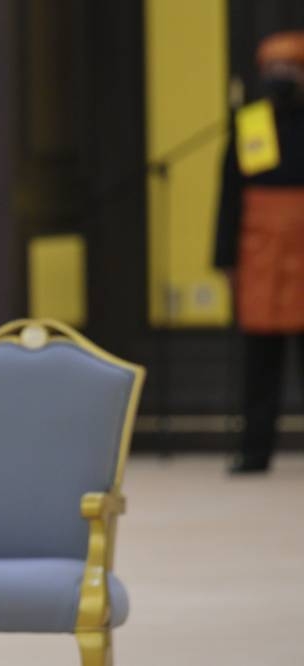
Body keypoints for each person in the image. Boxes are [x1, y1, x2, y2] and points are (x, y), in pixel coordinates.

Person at [215, 31, 304, 474]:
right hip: (261, 252)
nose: (282, 77)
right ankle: (255, 450)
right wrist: (225, 257)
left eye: (290, 68)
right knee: (259, 362)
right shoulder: (252, 123)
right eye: (275, 69)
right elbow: (231, 195)